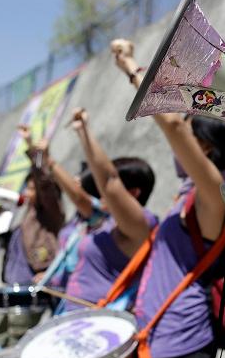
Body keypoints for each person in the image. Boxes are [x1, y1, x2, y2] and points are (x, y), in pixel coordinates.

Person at [114, 40, 225, 358]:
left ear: (203, 147)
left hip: (181, 343)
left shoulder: (216, 192)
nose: (178, 137)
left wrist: (130, 67)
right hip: (154, 336)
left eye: (189, 129)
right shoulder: (187, 194)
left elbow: (170, 124)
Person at [42, 110, 157, 312]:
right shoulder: (104, 219)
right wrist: (81, 132)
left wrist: (85, 132)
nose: (101, 191)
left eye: (106, 188)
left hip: (101, 326)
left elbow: (105, 182)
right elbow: (86, 194)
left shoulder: (142, 226)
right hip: (72, 315)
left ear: (133, 192)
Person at [0, 126, 65, 358]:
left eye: (31, 189)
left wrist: (36, 155)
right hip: (14, 288)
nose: (28, 193)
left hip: (30, 291)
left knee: (15, 343)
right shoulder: (26, 215)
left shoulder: (49, 214)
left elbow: (45, 185)